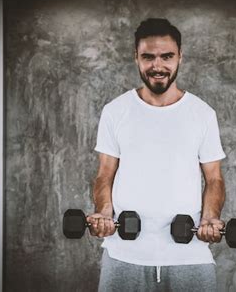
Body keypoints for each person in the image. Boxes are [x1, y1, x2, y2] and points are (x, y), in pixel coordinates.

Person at [87, 18, 227, 292]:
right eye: (148, 57)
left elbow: (214, 178)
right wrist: (103, 213)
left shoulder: (202, 114)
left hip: (189, 256)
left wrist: (210, 217)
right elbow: (105, 174)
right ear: (136, 58)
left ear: (180, 57)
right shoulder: (115, 111)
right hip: (124, 255)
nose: (158, 65)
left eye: (167, 56)